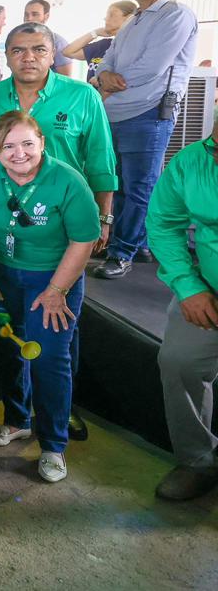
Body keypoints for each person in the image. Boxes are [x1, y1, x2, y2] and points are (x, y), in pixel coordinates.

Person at [0, 112, 99, 483]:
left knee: (48, 358)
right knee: (11, 348)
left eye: (27, 143)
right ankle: (17, 420)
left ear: (42, 142)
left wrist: (57, 290)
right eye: (8, 146)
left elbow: (84, 240)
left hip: (53, 278)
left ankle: (53, 444)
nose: (19, 153)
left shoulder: (68, 181)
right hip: (3, 274)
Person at [93, 0, 198, 279]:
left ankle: (121, 252)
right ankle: (135, 245)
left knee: (140, 187)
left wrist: (109, 83)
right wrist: (103, 75)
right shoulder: (133, 20)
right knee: (119, 184)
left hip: (149, 113)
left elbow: (152, 67)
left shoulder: (176, 15)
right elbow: (106, 59)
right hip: (116, 112)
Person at [0, 23, 116, 246]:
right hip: (1, 211)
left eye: (39, 50)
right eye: (18, 50)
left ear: (53, 55)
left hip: (65, 211)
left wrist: (104, 216)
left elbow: (100, 158)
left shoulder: (82, 96)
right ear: (6, 57)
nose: (29, 57)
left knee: (66, 267)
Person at [150, 123, 218, 500]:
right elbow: (163, 224)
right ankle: (197, 459)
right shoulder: (190, 162)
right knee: (179, 361)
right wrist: (189, 286)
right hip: (208, 288)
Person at [63, 0, 137, 82]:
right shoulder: (104, 45)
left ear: (129, 18)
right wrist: (95, 33)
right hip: (92, 91)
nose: (105, 18)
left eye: (111, 15)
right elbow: (68, 52)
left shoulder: (134, 48)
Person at [21, 0, 75, 77]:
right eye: (26, 14)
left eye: (35, 14)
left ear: (46, 17)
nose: (29, 18)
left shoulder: (58, 42)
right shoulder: (18, 40)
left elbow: (65, 79)